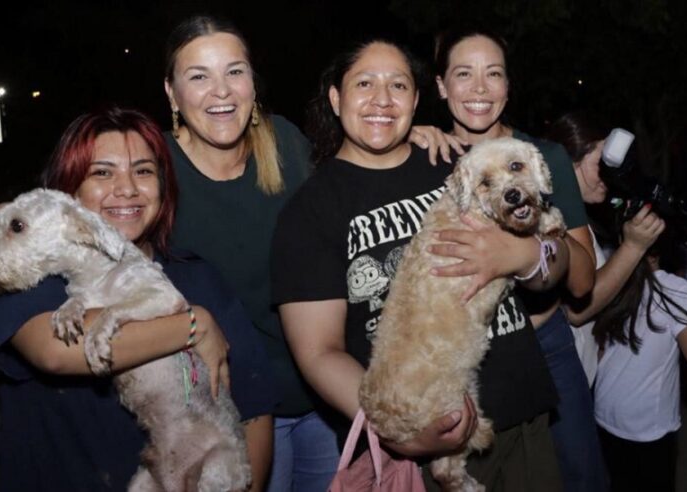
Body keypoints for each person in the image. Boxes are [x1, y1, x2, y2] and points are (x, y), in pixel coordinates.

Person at [160, 15, 465, 491]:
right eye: (198, 77)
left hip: (325, 399)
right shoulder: (153, 173)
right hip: (228, 409)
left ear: (253, 84)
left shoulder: (285, 144)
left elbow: (354, 183)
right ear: (172, 93)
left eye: (234, 72)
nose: (221, 91)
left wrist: (409, 138)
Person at [272, 39, 573, 491]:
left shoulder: (460, 163)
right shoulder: (308, 213)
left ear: (416, 100)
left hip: (522, 415)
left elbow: (559, 259)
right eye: (364, 84)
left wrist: (528, 256)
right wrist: (395, 429)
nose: (382, 99)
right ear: (336, 98)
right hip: (424, 439)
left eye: (398, 85)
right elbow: (318, 352)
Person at [0, 107, 277, 491]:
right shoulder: (30, 276)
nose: (127, 188)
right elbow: (56, 351)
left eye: (143, 171)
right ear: (69, 194)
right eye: (102, 173)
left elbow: (254, 414)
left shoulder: (197, 276)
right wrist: (194, 324)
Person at [433, 28, 603, 491]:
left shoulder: (539, 156)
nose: (480, 89)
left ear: (508, 86)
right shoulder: (427, 158)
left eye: (494, 74)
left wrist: (527, 254)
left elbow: (584, 281)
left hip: (545, 347)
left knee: (579, 478)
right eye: (463, 74)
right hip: (463, 358)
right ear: (441, 86)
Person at [546, 111, 666, 387]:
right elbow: (576, 311)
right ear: (569, 160)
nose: (609, 175)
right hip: (563, 387)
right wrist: (634, 247)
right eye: (602, 162)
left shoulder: (580, 222)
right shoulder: (551, 221)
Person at [591, 229, 687, 492]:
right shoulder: (674, 289)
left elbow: (600, 348)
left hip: (605, 411)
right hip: (647, 426)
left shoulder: (609, 273)